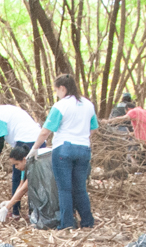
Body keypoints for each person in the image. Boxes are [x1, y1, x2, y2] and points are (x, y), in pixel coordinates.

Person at [13, 74, 97, 229]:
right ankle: (87, 222)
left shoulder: (61, 105)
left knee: (64, 189)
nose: (57, 93)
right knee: (80, 188)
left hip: (64, 149)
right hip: (84, 149)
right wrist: (82, 138)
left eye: (56, 90)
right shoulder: (88, 104)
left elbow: (46, 131)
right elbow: (93, 128)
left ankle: (66, 224)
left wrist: (34, 149)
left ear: (62, 88)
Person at [0, 98, 43, 221]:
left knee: (18, 176)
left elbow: (0, 143)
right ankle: (31, 211)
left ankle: (15, 211)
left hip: (26, 140)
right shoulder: (6, 109)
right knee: (33, 177)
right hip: (39, 139)